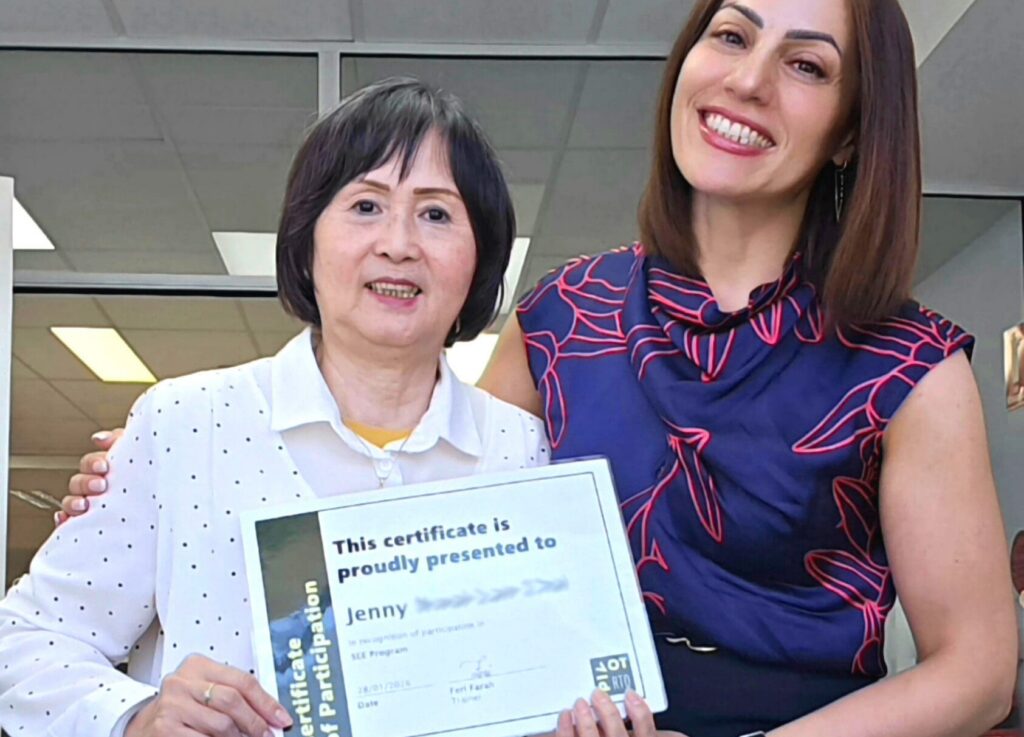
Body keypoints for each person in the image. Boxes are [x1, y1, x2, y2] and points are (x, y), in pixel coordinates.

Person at [60, 0, 1018, 735]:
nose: (750, 81)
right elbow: (434, 501)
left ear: (852, 127)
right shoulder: (565, 313)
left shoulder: (908, 363)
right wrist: (155, 468)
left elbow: (978, 669)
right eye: (730, 37)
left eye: (805, 65)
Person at [0, 78, 576, 737]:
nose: (398, 243)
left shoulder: (525, 452)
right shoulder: (186, 423)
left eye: (437, 214)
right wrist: (135, 715)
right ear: (306, 238)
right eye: (365, 205)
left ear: (482, 256)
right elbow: (24, 642)